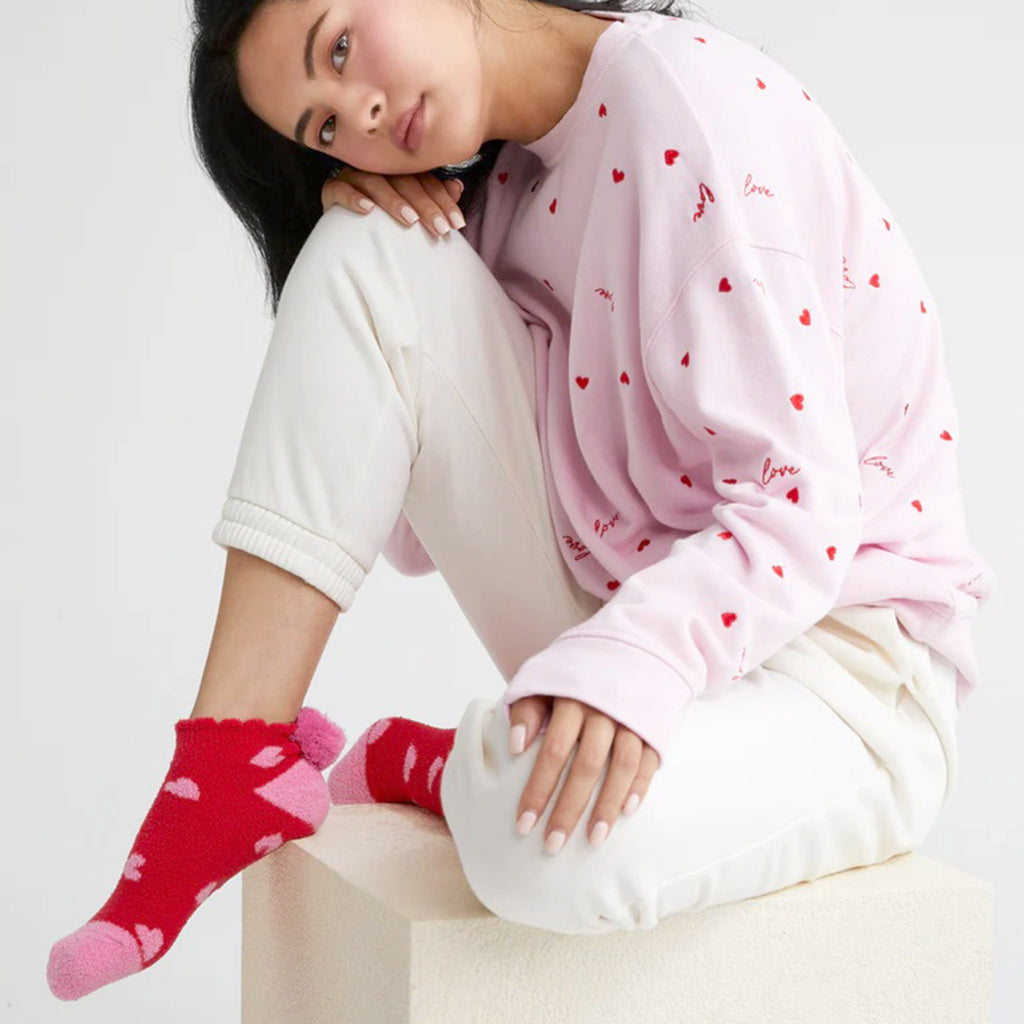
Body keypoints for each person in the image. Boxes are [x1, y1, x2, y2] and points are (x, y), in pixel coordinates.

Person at [47, 0, 996, 1001]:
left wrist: (624, 664)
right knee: (363, 251)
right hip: (646, 626)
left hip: (840, 676)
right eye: (324, 127)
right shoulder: (501, 174)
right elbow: (412, 531)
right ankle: (228, 758)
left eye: (339, 47)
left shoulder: (694, 114)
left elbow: (798, 506)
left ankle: (456, 771)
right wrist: (408, 232)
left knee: (527, 845)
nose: (362, 111)